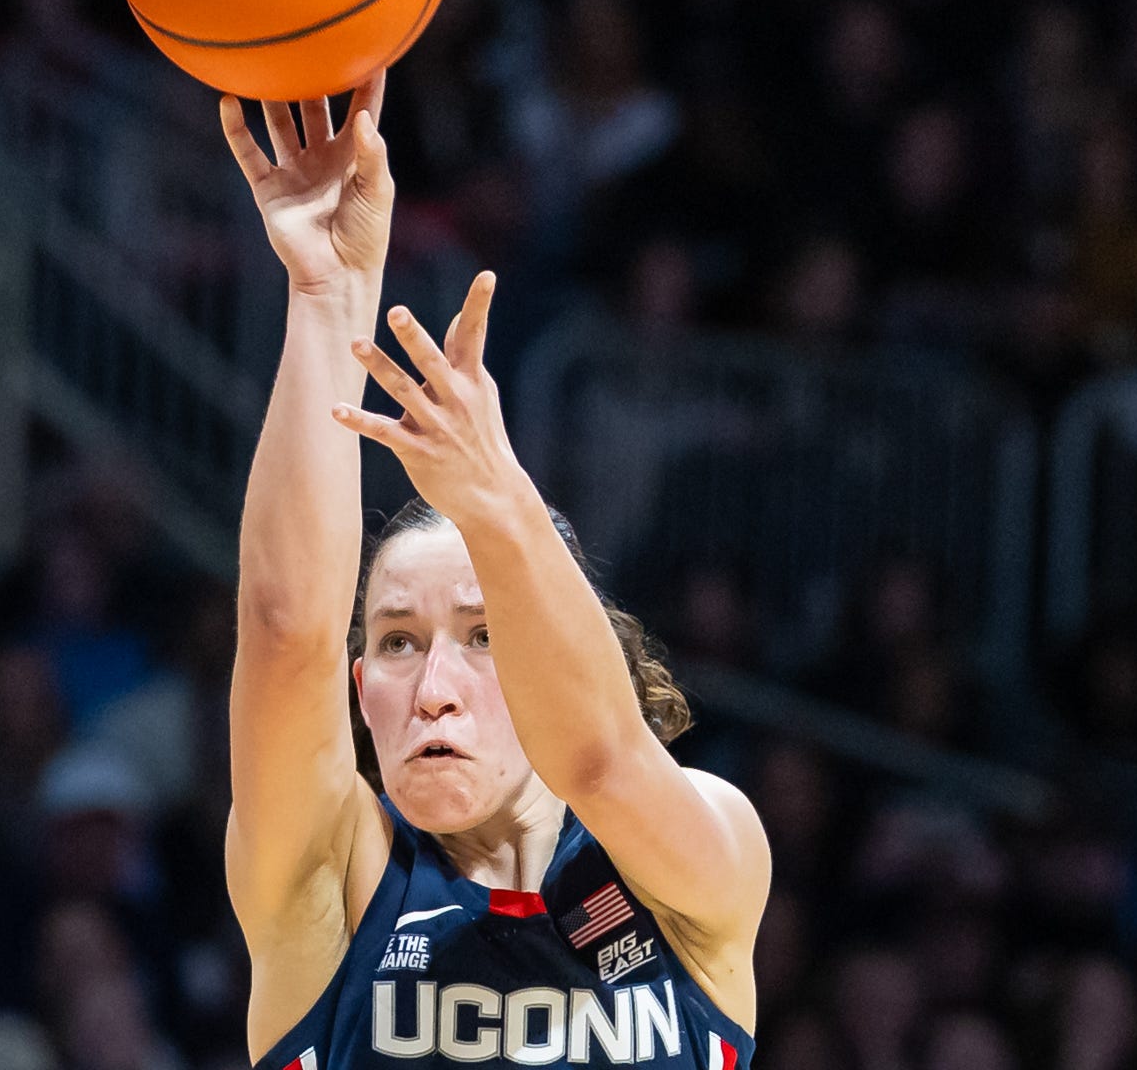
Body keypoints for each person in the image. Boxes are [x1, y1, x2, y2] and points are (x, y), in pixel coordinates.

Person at [218, 73, 771, 1068]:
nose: (433, 690)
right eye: (395, 641)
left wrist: (495, 493)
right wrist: (325, 293)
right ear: (361, 694)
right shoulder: (330, 875)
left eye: (483, 635)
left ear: (567, 649)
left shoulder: (699, 859)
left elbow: (597, 757)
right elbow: (285, 626)